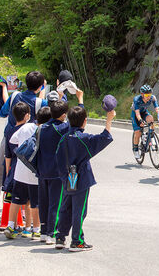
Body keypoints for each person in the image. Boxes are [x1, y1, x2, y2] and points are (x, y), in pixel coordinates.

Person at [0, 71, 47, 223]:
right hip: (27, 144)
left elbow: (2, 112)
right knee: (27, 176)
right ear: (40, 87)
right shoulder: (41, 103)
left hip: (9, 138)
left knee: (0, 171)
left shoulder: (15, 97)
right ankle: (26, 214)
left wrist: (5, 91)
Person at [54, 105, 115, 252]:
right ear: (85, 121)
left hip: (67, 177)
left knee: (65, 207)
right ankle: (77, 241)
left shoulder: (63, 139)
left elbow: (58, 158)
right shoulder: (83, 139)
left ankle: (60, 237)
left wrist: (63, 175)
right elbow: (104, 138)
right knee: (79, 211)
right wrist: (109, 120)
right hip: (81, 178)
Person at [37, 89, 83, 244]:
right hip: (57, 172)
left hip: (42, 170)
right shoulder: (62, 128)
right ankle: (52, 232)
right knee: (56, 203)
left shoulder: (41, 128)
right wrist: (80, 100)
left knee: (43, 201)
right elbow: (78, 122)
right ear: (63, 115)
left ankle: (43, 231)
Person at [3, 105, 51, 240]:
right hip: (35, 173)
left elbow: (12, 140)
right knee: (35, 203)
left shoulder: (26, 127)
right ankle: (36, 230)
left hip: (20, 171)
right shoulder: (45, 131)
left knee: (16, 200)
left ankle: (11, 226)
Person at [131, 85, 159, 159]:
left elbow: (157, 109)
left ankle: (151, 137)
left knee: (151, 119)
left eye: (149, 94)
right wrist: (140, 120)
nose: (148, 96)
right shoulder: (137, 99)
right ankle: (135, 149)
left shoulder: (153, 98)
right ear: (142, 94)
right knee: (138, 132)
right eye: (146, 95)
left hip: (144, 112)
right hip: (135, 114)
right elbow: (137, 113)